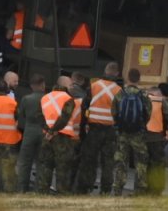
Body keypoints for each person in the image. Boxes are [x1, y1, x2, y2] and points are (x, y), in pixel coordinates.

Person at [75, 62, 122, 194]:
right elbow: (120, 112)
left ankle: (85, 188)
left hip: (94, 129)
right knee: (108, 162)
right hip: (110, 131)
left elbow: (85, 106)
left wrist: (84, 124)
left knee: (89, 160)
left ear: (105, 71)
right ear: (117, 74)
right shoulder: (118, 90)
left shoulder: (94, 85)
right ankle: (105, 190)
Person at [112, 68, 153, 196]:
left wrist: (119, 124)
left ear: (127, 78)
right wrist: (140, 125)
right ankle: (140, 190)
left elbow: (114, 112)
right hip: (138, 134)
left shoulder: (120, 94)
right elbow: (148, 113)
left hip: (122, 133)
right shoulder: (144, 95)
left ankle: (118, 188)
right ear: (139, 79)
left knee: (121, 161)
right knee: (140, 162)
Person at [36, 75, 78, 194]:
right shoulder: (69, 99)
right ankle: (61, 193)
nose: (72, 87)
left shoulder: (44, 98)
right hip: (63, 138)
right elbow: (64, 118)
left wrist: (48, 131)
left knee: (46, 165)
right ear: (65, 85)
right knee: (63, 168)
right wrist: (53, 130)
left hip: (47, 138)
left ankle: (43, 192)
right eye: (70, 85)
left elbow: (39, 116)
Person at [15, 73, 46, 192]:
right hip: (44, 131)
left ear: (31, 86)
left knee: (24, 162)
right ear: (43, 85)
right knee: (41, 162)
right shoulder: (47, 99)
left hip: (29, 132)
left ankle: (22, 189)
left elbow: (21, 115)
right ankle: (39, 190)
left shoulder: (26, 99)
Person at [145, 84, 168, 196]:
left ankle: (143, 189)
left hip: (142, 138)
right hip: (157, 139)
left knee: (144, 165)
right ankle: (157, 191)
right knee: (158, 165)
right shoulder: (161, 102)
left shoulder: (142, 100)